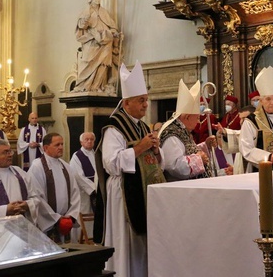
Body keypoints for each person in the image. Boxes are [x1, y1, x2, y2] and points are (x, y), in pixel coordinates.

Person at [94, 61, 165, 277]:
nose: (145, 105)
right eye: (141, 100)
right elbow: (111, 163)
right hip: (122, 192)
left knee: (141, 243)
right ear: (126, 104)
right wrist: (139, 148)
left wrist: (155, 151)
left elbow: (156, 163)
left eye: (146, 100)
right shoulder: (114, 127)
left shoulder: (143, 126)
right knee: (125, 242)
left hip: (141, 190)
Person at [160, 80, 219, 181]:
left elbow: (188, 151)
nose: (198, 122)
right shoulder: (172, 134)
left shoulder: (181, 130)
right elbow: (173, 166)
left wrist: (206, 146)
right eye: (197, 118)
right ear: (187, 117)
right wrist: (199, 159)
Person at [28, 133, 81, 242]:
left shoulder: (66, 166)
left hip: (66, 221)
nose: (61, 147)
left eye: (62, 144)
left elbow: (75, 193)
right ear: (46, 147)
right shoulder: (37, 166)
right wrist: (56, 218)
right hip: (48, 223)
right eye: (57, 145)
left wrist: (70, 215)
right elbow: (36, 196)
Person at [0, 139, 41, 226]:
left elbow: (35, 197)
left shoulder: (20, 173)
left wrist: (27, 205)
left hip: (23, 227)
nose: (10, 155)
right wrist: (6, 210)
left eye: (10, 152)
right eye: (5, 152)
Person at [74, 0, 121, 94]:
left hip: (105, 45)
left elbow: (113, 27)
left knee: (103, 66)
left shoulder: (104, 12)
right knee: (90, 65)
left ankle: (98, 86)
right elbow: (81, 28)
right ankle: (86, 86)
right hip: (92, 45)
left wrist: (115, 34)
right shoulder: (86, 11)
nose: (98, 0)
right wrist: (84, 22)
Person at [70, 132, 97, 238]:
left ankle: (94, 238)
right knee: (84, 215)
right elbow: (78, 176)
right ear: (81, 142)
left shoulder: (97, 154)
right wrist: (94, 189)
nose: (89, 141)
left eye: (91, 139)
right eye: (87, 139)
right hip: (84, 193)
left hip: (97, 192)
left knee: (95, 217)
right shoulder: (77, 156)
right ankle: (81, 240)